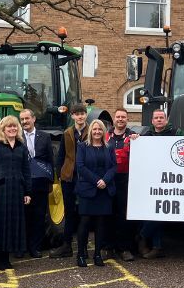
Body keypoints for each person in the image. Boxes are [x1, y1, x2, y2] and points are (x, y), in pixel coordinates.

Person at [0, 115, 32, 270]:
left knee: (12, 223)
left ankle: (7, 257)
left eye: (14, 127)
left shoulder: (21, 147)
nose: (12, 129)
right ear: (2, 129)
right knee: (0, 224)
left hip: (17, 189)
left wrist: (27, 192)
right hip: (0, 190)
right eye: (9, 127)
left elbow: (26, 170)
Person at [138, 109, 183, 258]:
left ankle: (142, 237)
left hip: (171, 179)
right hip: (151, 179)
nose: (158, 120)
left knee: (162, 213)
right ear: (152, 121)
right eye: (156, 118)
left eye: (161, 117)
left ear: (166, 120)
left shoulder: (177, 133)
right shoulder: (146, 135)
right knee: (152, 212)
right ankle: (157, 247)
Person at [75, 119, 117, 267]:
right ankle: (81, 254)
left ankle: (98, 254)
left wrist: (104, 180)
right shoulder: (82, 147)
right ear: (90, 131)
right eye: (94, 129)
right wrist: (96, 180)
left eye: (100, 129)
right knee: (85, 223)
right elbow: (80, 167)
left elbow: (113, 167)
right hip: (88, 189)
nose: (97, 132)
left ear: (104, 131)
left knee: (101, 224)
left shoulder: (109, 147)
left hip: (104, 190)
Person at [50, 104, 89, 258]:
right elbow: (61, 155)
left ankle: (83, 246)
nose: (80, 117)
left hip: (86, 178)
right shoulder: (67, 133)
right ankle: (67, 245)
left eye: (82, 114)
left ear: (86, 115)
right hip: (69, 177)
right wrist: (60, 173)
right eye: (77, 114)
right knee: (69, 211)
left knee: (85, 213)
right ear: (72, 116)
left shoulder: (92, 131)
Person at [20, 109, 54, 258]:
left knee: (39, 216)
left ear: (33, 119)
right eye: (22, 119)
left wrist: (50, 181)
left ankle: (35, 247)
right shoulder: (17, 136)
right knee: (22, 216)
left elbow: (50, 160)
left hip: (40, 182)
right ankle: (21, 247)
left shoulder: (45, 137)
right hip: (22, 183)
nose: (25, 122)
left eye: (27, 118)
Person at [106, 108, 137, 261]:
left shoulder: (134, 137)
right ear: (114, 119)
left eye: (123, 117)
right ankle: (108, 248)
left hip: (126, 180)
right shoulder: (105, 136)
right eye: (118, 117)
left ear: (127, 119)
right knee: (108, 214)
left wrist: (139, 140)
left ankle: (124, 248)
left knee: (124, 214)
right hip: (108, 180)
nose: (120, 119)